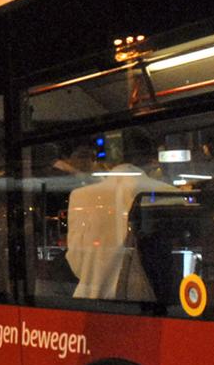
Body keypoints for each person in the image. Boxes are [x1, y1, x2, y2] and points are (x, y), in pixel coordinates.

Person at [65, 129, 176, 301]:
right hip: (144, 301)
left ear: (110, 158)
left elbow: (76, 260)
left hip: (89, 302)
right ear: (150, 159)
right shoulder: (168, 193)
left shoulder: (80, 196)